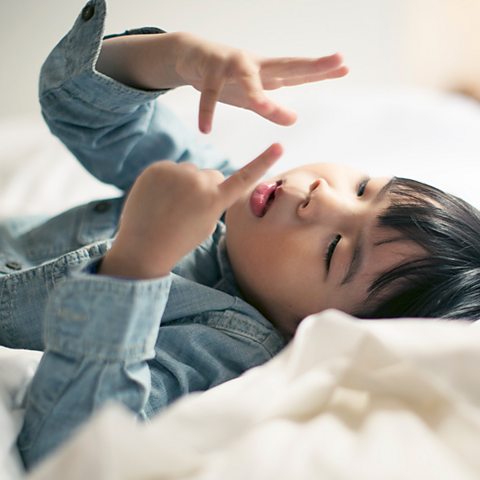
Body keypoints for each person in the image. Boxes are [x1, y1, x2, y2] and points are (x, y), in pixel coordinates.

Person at [7, 0, 480, 469]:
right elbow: (78, 107)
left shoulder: (227, 351)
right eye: (363, 188)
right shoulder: (222, 192)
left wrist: (136, 266)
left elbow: (68, 448)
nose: (323, 196)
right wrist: (175, 60)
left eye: (336, 248)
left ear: (307, 329)